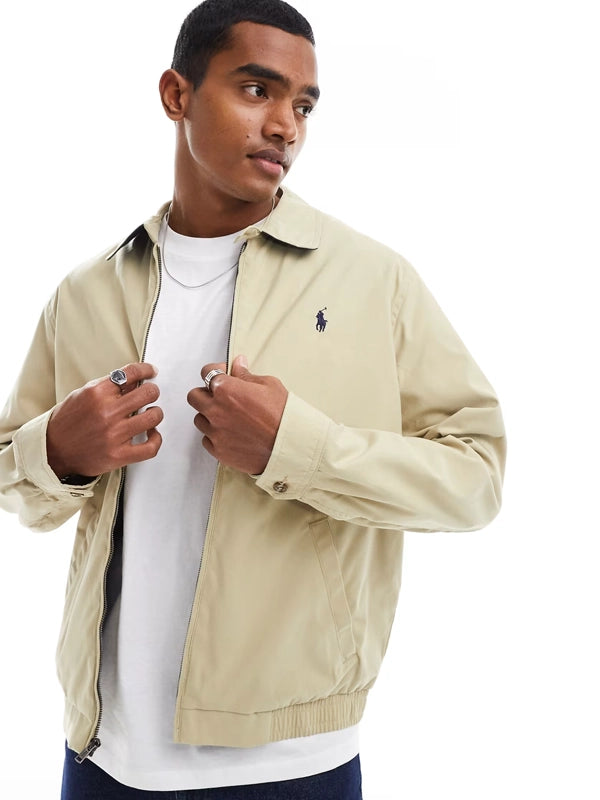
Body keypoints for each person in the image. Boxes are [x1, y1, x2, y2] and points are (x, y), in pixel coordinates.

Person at [0, 0, 506, 797]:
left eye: (303, 105)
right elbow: (17, 484)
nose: (284, 126)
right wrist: (59, 452)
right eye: (257, 89)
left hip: (290, 760)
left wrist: (298, 449)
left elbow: (477, 480)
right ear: (177, 94)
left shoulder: (373, 281)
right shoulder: (88, 291)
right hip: (102, 753)